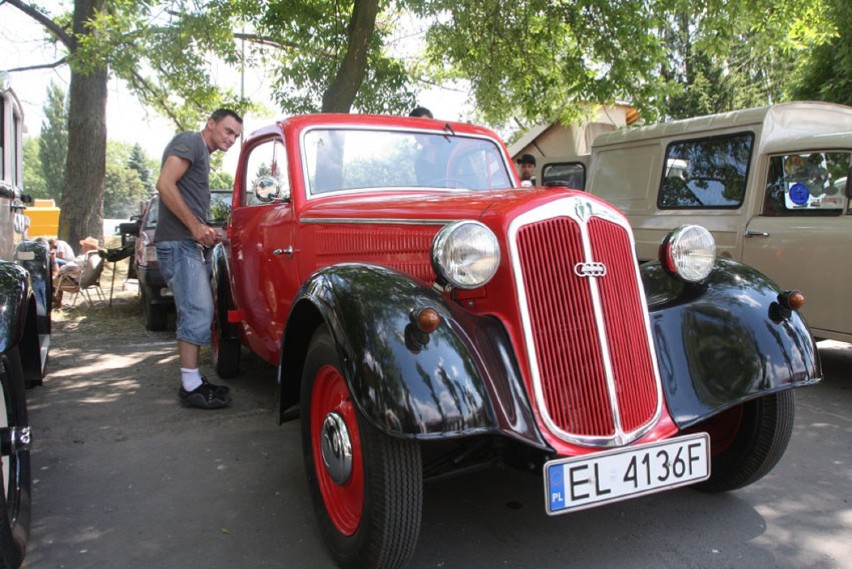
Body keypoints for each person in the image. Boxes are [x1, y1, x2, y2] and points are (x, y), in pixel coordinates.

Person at [155, 108, 243, 410]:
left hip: (189, 244)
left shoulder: (202, 156)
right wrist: (195, 228)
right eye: (228, 131)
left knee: (198, 310)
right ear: (211, 124)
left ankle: (193, 379)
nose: (231, 139)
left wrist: (211, 231)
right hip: (179, 244)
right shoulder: (190, 141)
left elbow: (186, 200)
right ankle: (190, 386)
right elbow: (164, 184)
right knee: (197, 310)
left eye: (236, 136)